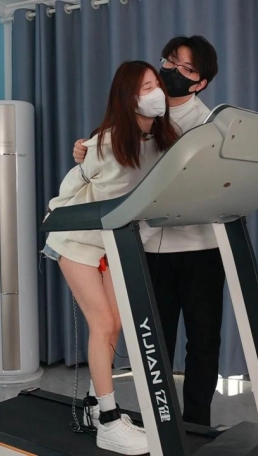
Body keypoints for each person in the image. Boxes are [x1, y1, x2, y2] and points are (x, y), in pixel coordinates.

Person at [72, 36, 223, 427]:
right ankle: (162, 420)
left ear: (200, 82)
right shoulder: (139, 112)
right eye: (169, 62)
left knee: (204, 340)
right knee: (156, 341)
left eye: (185, 69)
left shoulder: (209, 125)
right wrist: (86, 152)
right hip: (151, 249)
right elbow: (111, 158)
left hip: (201, 248)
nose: (171, 72)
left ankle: (197, 424)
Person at [42, 60, 180, 455]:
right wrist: (55, 214)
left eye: (156, 84)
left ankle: (93, 405)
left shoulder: (161, 141)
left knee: (115, 325)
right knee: (102, 325)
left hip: (111, 244)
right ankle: (107, 421)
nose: (156, 93)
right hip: (76, 240)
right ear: (128, 97)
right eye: (146, 87)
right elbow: (72, 186)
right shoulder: (106, 143)